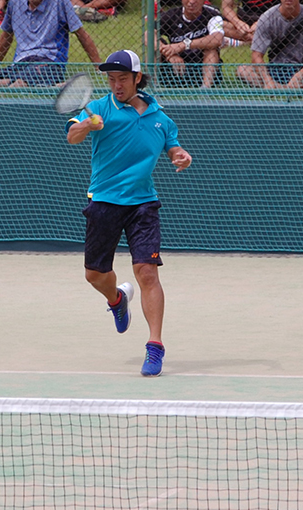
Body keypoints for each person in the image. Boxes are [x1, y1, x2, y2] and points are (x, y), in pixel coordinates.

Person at [66, 50, 193, 377]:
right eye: (111, 79)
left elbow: (174, 147)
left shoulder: (161, 118)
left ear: (138, 78)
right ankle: (116, 299)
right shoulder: (98, 108)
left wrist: (181, 156)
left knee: (147, 272)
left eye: (122, 78)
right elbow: (72, 135)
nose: (116, 84)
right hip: (105, 201)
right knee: (94, 275)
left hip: (142, 204)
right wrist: (87, 125)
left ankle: (155, 346)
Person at [0, 0, 101, 87]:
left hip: (50, 61)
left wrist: (98, 67)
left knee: (21, 81)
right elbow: (6, 36)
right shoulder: (14, 3)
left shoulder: (61, 3)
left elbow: (81, 34)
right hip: (21, 62)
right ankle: (55, 86)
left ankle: (8, 84)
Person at [236, 0, 303, 89]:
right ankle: (295, 88)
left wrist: (298, 77)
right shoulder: (267, 17)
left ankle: (283, 88)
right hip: (275, 68)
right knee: (243, 70)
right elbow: (256, 55)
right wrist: (267, 79)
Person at [158, 0, 226, 88]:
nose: (192, 2)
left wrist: (183, 45)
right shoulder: (171, 15)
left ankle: (205, 89)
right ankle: (154, 86)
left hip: (200, 67)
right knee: (155, 48)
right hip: (175, 68)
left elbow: (217, 39)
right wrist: (169, 54)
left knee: (211, 49)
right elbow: (149, 35)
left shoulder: (212, 15)